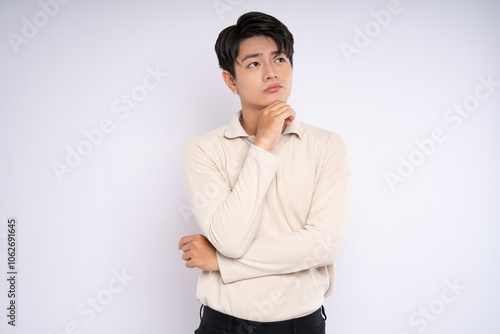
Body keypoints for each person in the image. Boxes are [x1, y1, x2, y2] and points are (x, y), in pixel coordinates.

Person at [178, 11, 353, 334]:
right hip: (224, 325)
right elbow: (230, 239)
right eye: (254, 64)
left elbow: (323, 244)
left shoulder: (328, 146)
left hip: (301, 325)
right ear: (231, 80)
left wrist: (221, 262)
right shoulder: (203, 149)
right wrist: (263, 144)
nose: (272, 73)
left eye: (280, 59)